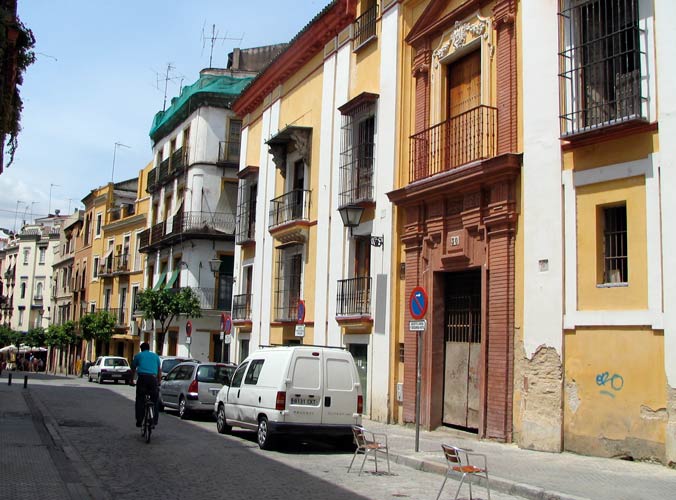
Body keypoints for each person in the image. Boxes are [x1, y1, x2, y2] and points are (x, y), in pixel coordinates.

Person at [130, 342, 161, 428]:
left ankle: (139, 420)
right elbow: (159, 370)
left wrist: (131, 380)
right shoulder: (155, 356)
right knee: (155, 400)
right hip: (153, 379)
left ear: (141, 349)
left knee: (140, 399)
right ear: (149, 348)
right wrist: (159, 381)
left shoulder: (138, 356)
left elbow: (133, 368)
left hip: (142, 379)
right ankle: (154, 420)